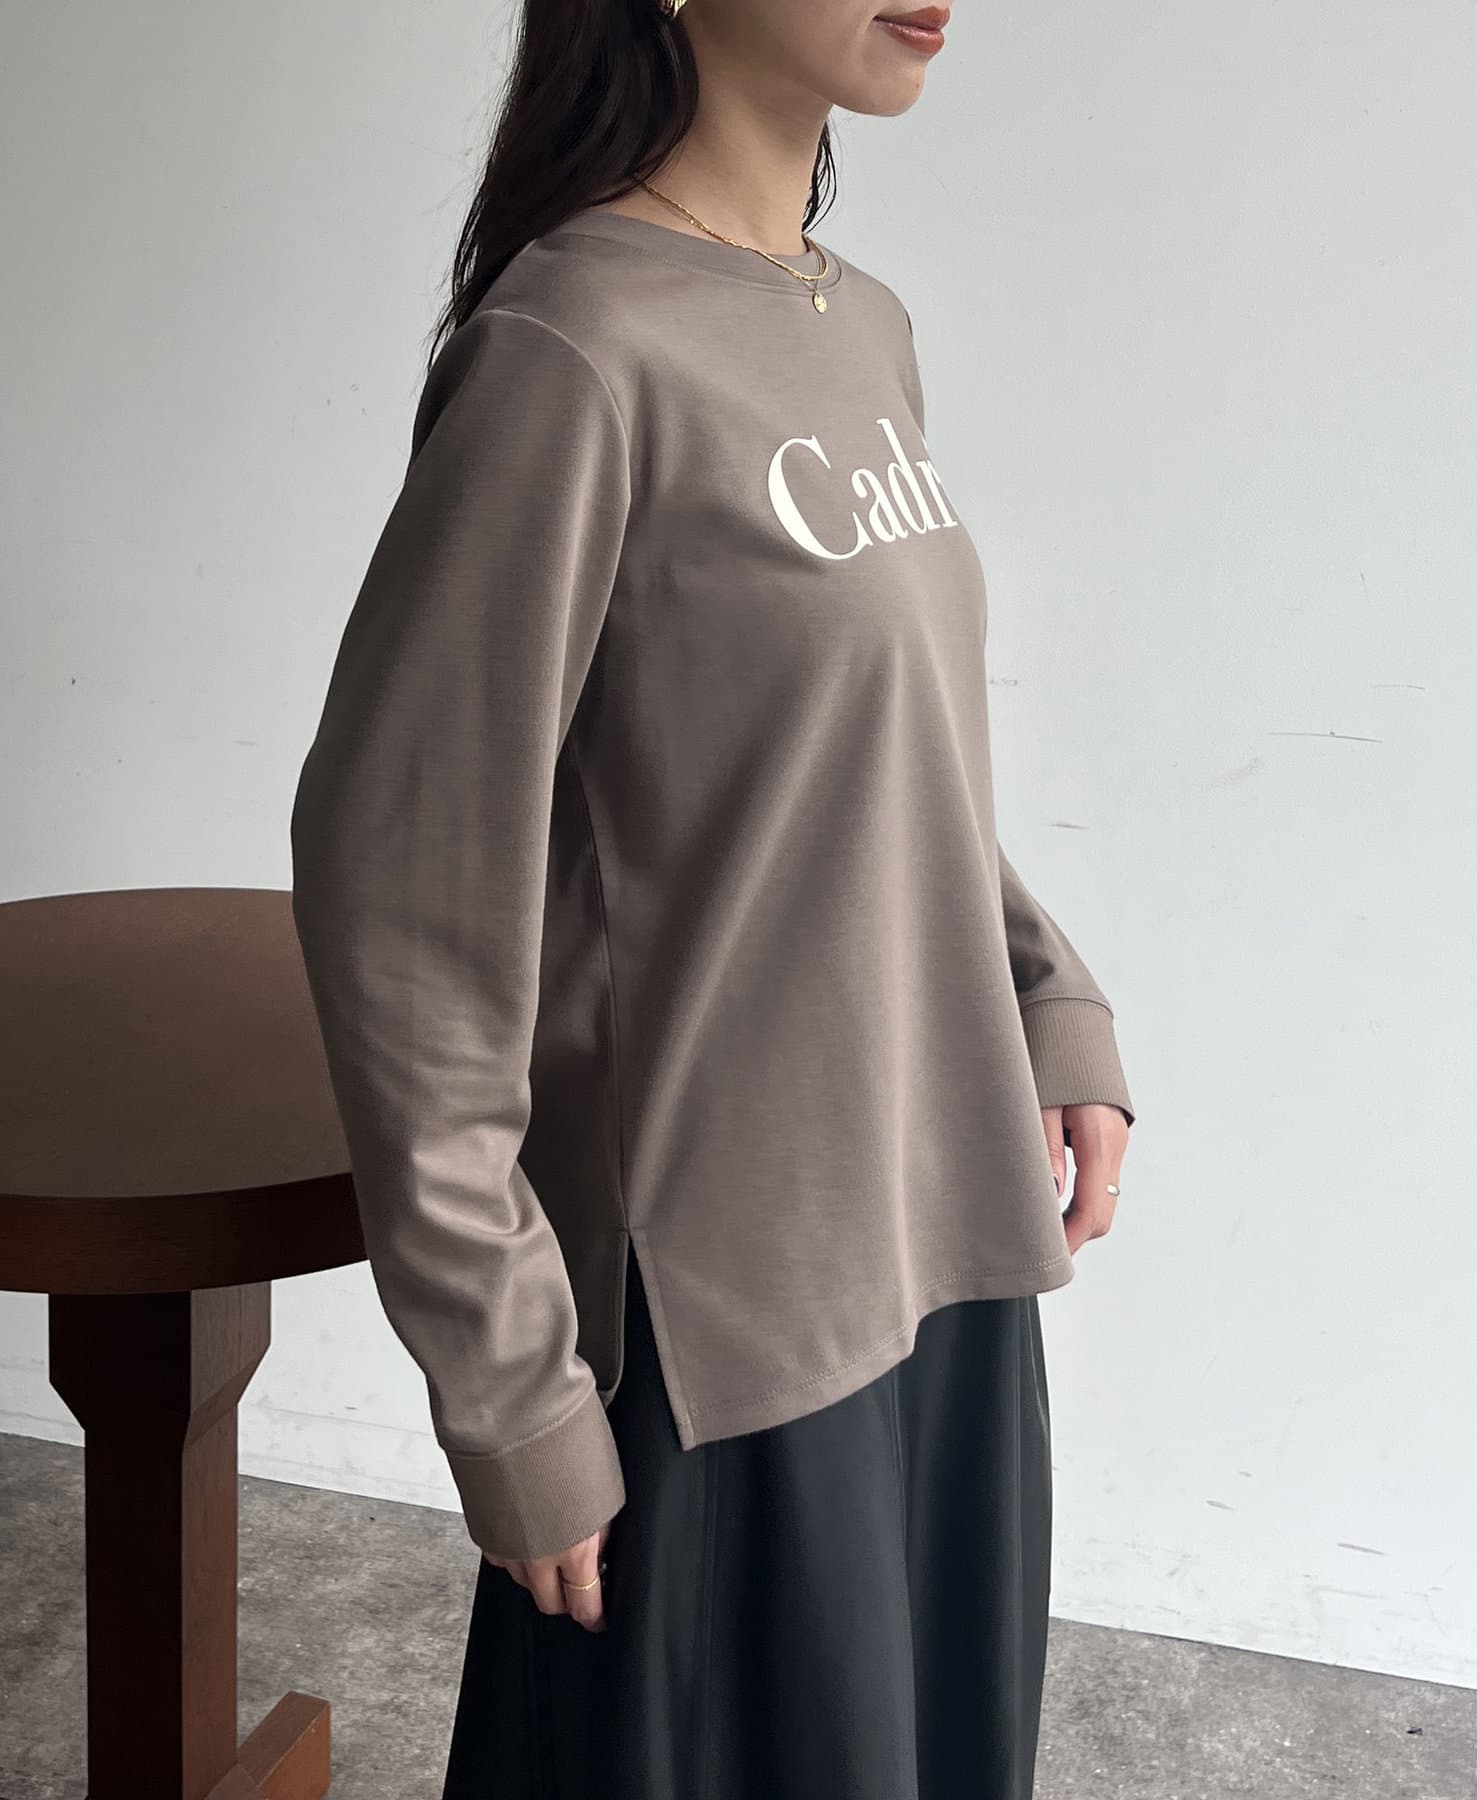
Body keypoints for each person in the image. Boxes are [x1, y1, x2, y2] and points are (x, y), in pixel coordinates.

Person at [288, 0, 1136, 1794]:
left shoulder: (863, 324)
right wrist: (512, 1390)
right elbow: (403, 903)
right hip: (731, 1322)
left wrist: (1045, 995)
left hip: (949, 1240)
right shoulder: (573, 349)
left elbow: (875, 764)